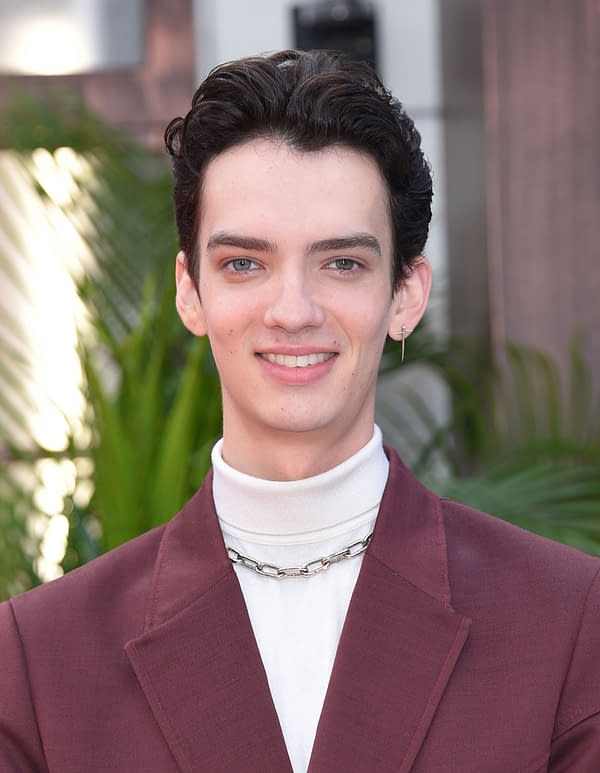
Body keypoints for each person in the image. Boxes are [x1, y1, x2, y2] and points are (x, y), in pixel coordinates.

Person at [1, 49, 599, 773]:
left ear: (406, 294)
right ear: (190, 290)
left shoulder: (567, 620)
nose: (292, 311)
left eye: (341, 262)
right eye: (244, 264)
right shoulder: (37, 658)